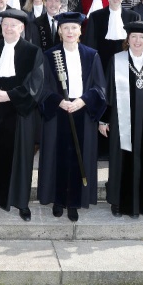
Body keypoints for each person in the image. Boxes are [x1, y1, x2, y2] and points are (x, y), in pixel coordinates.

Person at [38, 12, 107, 222]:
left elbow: (100, 86)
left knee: (79, 157)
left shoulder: (91, 54)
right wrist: (58, 101)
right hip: (58, 110)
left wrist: (83, 100)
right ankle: (58, 200)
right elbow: (42, 86)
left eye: (74, 28)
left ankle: (74, 202)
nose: (70, 32)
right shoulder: (49, 54)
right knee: (56, 156)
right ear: (59, 31)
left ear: (80, 31)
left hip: (82, 110)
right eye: (65, 28)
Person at [0, 8, 45, 221]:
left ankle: (21, 203)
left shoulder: (33, 51)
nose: (8, 28)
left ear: (21, 28)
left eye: (13, 25)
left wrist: (8, 96)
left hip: (19, 113)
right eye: (5, 24)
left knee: (22, 157)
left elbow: (35, 84)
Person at [99, 21, 143, 218]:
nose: (137, 40)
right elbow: (107, 91)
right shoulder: (117, 60)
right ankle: (119, 203)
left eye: (142, 37)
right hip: (121, 121)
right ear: (128, 39)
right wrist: (103, 120)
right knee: (121, 159)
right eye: (134, 37)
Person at [83, 0, 141, 70]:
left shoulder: (134, 17)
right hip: (102, 59)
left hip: (126, 58)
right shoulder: (95, 16)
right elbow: (90, 41)